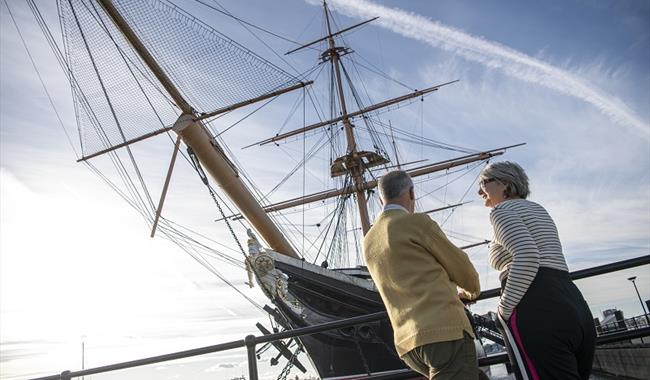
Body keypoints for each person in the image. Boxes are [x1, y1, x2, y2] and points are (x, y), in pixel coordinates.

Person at [478, 161, 596, 380]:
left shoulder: (500, 211)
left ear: (504, 183)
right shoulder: (538, 209)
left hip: (535, 305)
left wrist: (504, 310)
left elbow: (528, 256)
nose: (479, 191)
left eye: (483, 183)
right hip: (572, 300)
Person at [363, 170, 481, 379]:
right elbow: (462, 269)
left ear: (381, 198)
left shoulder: (369, 240)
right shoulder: (417, 223)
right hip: (444, 331)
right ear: (411, 193)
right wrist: (471, 292)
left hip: (408, 344)